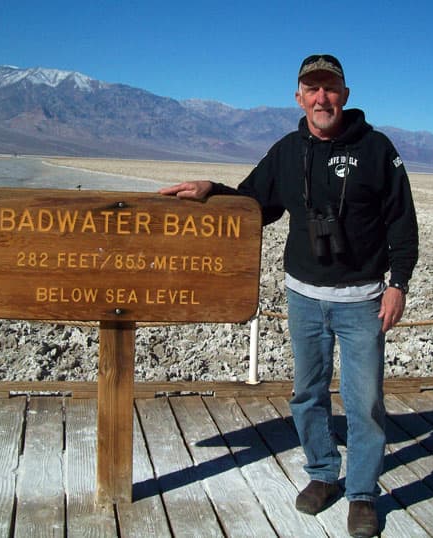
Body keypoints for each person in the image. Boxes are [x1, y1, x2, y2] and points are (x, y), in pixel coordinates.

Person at [160, 54, 419, 538]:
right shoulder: (286, 150)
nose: (322, 98)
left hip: (362, 298)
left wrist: (398, 284)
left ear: (345, 94)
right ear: (298, 96)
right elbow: (254, 202)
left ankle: (362, 493)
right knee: (308, 394)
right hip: (303, 297)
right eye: (312, 89)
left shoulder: (377, 150)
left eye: (331, 88)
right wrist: (210, 191)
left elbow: (403, 221)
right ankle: (323, 474)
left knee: (364, 403)